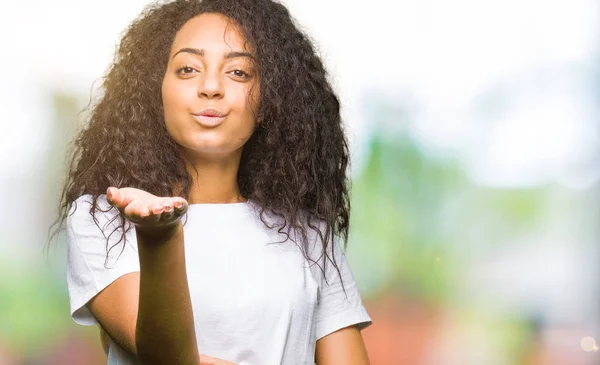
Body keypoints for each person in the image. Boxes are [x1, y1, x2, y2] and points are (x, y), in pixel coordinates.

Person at [57, 0, 372, 364]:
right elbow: (167, 356)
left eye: (238, 72)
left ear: (271, 98)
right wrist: (160, 238)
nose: (210, 87)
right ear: (154, 90)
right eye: (188, 69)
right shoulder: (105, 219)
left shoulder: (308, 236)